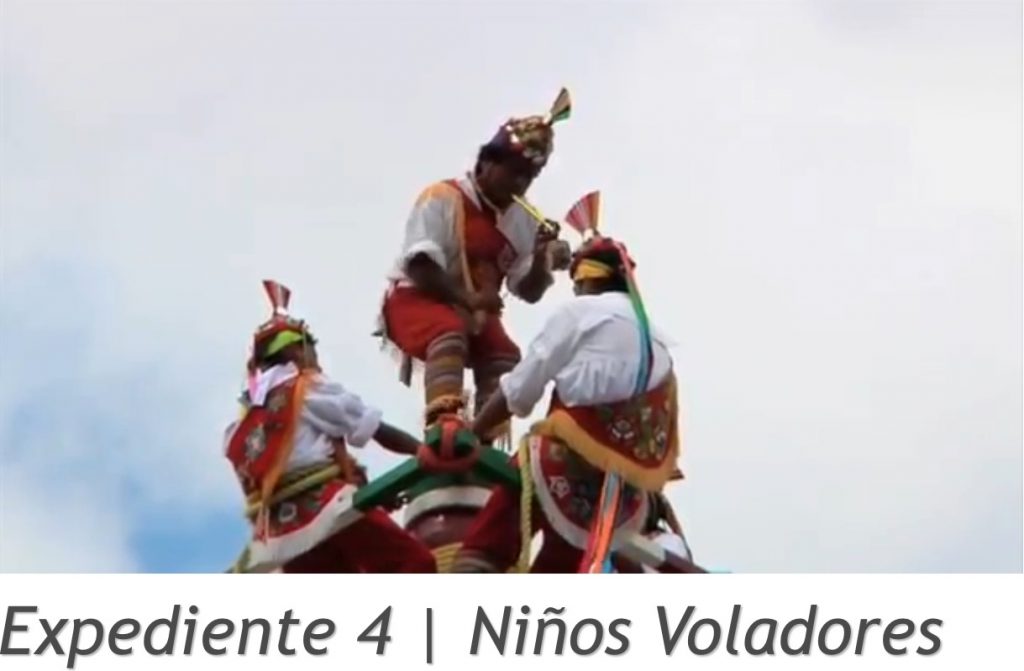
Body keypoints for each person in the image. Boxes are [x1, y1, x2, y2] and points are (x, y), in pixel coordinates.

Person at [451, 235, 683, 572]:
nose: (575, 291)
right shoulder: (659, 343)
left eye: (577, 284)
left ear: (588, 279)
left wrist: (473, 433)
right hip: (621, 499)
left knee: (485, 549)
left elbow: (519, 391)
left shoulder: (579, 314)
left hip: (562, 464)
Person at [377, 89, 574, 444]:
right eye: (514, 173)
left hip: (477, 310)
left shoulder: (523, 221)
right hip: (419, 297)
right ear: (485, 164)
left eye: (528, 177)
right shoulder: (441, 197)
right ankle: (443, 427)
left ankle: (485, 439)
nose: (520, 184)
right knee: (448, 331)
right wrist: (468, 299)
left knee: (504, 355)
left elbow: (527, 291)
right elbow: (420, 265)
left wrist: (541, 259)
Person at [224, 280, 438, 573]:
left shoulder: (243, 420)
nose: (316, 359)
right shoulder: (306, 387)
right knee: (414, 564)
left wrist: (370, 495)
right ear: (297, 351)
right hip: (326, 509)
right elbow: (373, 428)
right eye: (312, 348)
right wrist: (423, 450)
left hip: (282, 535)